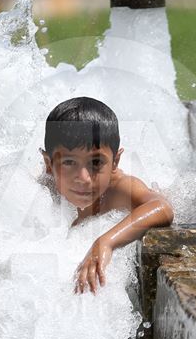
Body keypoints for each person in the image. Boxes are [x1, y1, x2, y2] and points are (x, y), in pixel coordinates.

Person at [40, 97, 174, 294]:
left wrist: (106, 242)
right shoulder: (43, 190)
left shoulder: (118, 188)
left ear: (115, 162)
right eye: (68, 162)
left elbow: (163, 208)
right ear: (48, 164)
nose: (83, 178)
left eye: (96, 163)